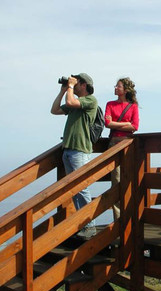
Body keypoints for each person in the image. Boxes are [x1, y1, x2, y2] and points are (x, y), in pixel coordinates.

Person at [51, 73, 98, 240]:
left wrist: (70, 88)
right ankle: (82, 224)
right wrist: (64, 90)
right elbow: (54, 110)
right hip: (69, 149)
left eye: (77, 82)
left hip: (80, 150)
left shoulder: (90, 100)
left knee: (82, 187)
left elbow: (71, 102)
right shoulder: (74, 102)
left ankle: (89, 225)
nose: (74, 84)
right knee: (75, 189)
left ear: (84, 85)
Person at [105, 77, 139, 220]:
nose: (115, 88)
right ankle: (119, 220)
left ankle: (131, 216)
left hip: (127, 144)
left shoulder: (133, 106)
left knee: (130, 178)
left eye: (118, 86)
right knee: (116, 180)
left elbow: (135, 126)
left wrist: (115, 124)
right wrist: (126, 124)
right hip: (114, 144)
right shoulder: (110, 104)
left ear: (125, 90)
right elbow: (107, 123)